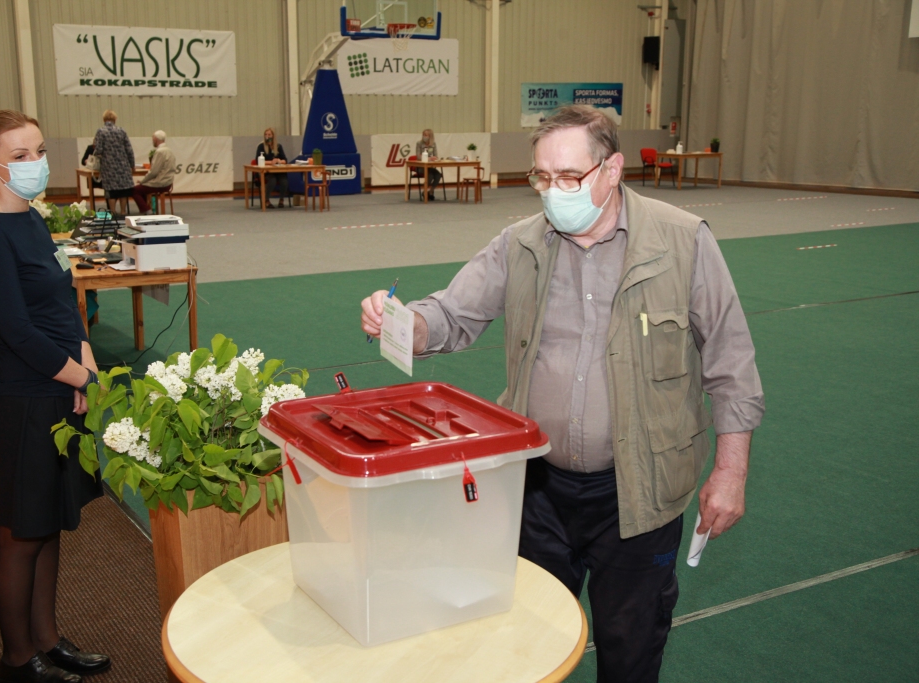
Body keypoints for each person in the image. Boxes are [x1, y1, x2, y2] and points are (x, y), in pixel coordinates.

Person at [361, 105, 764, 683]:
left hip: (640, 491)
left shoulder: (683, 241)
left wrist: (731, 472)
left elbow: (732, 362)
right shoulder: (520, 244)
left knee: (631, 645)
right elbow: (452, 314)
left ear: (613, 168)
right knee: (523, 642)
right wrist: (401, 321)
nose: (554, 193)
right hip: (536, 490)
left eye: (569, 178)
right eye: (542, 178)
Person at [0, 110, 111, 683]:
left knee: (49, 521)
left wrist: (85, 362)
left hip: (62, 384)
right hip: (28, 395)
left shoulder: (31, 217)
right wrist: (81, 380)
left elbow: (62, 303)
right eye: (20, 156)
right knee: (22, 532)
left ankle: (49, 641)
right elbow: (17, 329)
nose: (35, 164)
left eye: (39, 151)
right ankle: (17, 661)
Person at [93, 110, 134, 216]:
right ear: (115, 119)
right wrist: (132, 165)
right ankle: (123, 212)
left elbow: (98, 150)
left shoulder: (101, 131)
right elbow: (129, 149)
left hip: (108, 167)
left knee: (111, 192)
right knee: (123, 191)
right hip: (123, 165)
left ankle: (113, 212)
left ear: (104, 119)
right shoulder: (122, 131)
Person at [132, 130, 177, 215]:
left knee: (135, 190)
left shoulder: (160, 152)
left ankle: (146, 210)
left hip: (161, 183)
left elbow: (153, 172)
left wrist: (143, 181)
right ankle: (146, 209)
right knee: (142, 188)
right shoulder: (169, 150)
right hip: (168, 182)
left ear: (155, 139)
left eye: (153, 139)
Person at [255, 128, 289, 208]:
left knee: (284, 181)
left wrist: (279, 160)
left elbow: (285, 160)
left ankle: (281, 200)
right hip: (266, 172)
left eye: (269, 135)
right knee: (272, 180)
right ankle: (266, 200)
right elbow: (258, 161)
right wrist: (271, 162)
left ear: (273, 136)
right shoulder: (261, 146)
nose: (267, 136)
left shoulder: (278, 146)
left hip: (278, 171)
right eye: (266, 135)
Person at [415, 128, 441, 201]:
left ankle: (430, 191)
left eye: (426, 135)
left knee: (438, 175)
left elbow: (436, 155)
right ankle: (425, 192)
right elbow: (418, 156)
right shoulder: (419, 143)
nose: (424, 136)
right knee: (430, 175)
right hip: (421, 167)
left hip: (430, 166)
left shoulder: (433, 144)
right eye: (423, 135)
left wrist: (434, 158)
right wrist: (428, 158)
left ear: (430, 136)